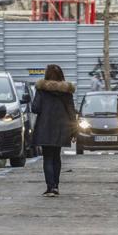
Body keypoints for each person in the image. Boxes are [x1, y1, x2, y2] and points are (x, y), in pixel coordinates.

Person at [31, 64, 77, 197]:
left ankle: (50, 187)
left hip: (45, 127)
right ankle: (55, 186)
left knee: (48, 157)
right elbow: (71, 111)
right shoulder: (67, 91)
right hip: (61, 128)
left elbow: (35, 108)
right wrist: (74, 130)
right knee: (56, 156)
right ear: (61, 75)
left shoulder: (41, 90)